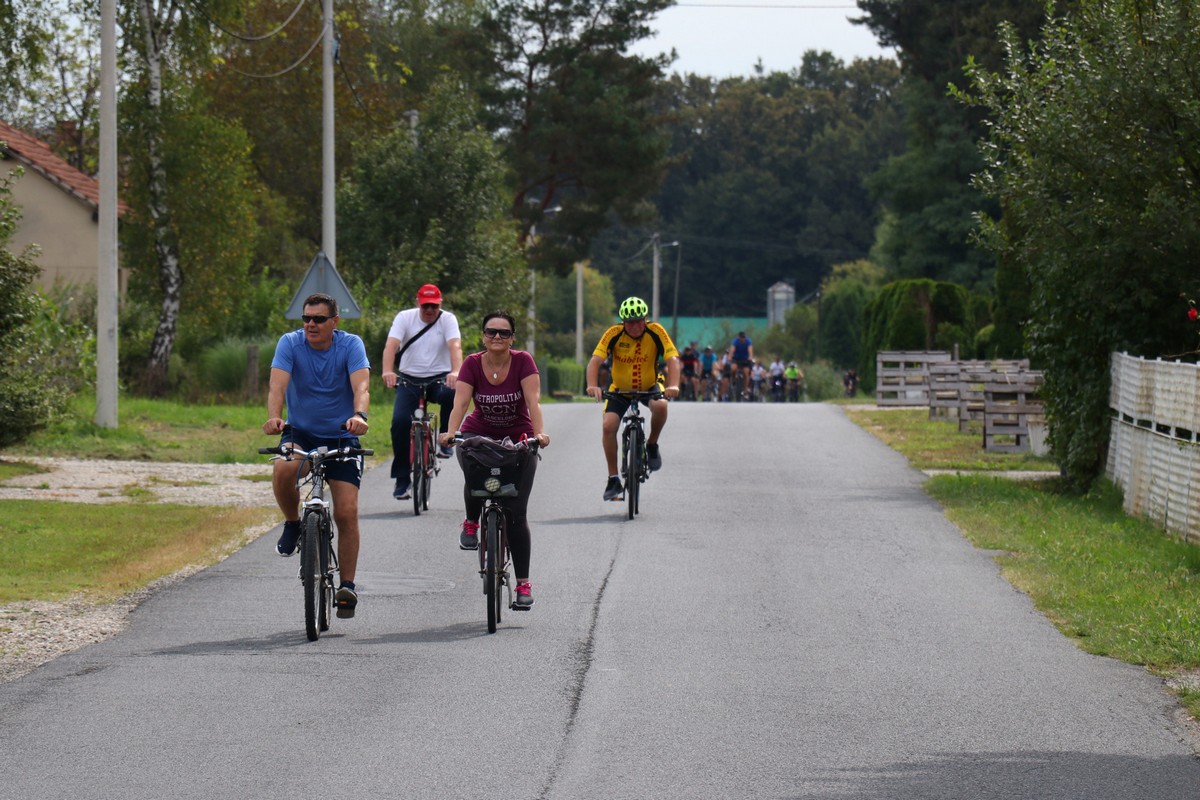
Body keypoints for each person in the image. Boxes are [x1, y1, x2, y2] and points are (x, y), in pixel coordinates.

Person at [263, 292, 371, 618]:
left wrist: (360, 416)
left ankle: (347, 586)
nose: (311, 324)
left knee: (347, 512)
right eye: (306, 318)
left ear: (334, 322)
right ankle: (294, 523)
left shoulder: (350, 345)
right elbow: (277, 387)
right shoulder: (290, 343)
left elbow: (362, 387)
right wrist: (274, 416)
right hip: (301, 432)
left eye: (319, 319)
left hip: (343, 433)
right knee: (284, 468)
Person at [440, 312, 550, 608]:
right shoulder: (473, 364)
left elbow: (533, 401)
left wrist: (539, 434)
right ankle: (471, 522)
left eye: (504, 333)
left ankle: (523, 585)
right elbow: (461, 402)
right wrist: (451, 432)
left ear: (513, 337)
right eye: (491, 332)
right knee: (474, 471)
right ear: (483, 336)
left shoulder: (524, 361)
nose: (497, 337)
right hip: (479, 432)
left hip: (519, 436)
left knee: (516, 511)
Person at [585, 296, 681, 501]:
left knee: (662, 406)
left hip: (650, 386)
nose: (635, 326)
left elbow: (672, 359)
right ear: (623, 322)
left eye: (639, 321)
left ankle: (652, 444)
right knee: (608, 425)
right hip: (620, 390)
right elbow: (595, 362)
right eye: (630, 322)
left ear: (645, 319)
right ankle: (613, 478)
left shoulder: (656, 331)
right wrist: (592, 385)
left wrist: (673, 385)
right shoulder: (613, 333)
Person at [382, 284, 463, 500]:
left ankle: (446, 438)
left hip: (439, 377)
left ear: (440, 304)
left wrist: (455, 371)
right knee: (399, 422)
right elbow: (391, 346)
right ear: (418, 302)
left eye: (434, 306)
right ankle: (401, 479)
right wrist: (387, 371)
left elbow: (455, 346)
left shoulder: (447, 319)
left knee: (450, 393)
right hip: (409, 379)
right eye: (426, 305)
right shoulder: (405, 318)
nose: (429, 310)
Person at [727, 331, 754, 400]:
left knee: (746, 372)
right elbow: (732, 350)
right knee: (733, 368)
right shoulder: (735, 341)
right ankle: (733, 381)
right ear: (739, 337)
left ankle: (745, 389)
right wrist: (729, 357)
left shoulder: (748, 341)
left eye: (743, 337)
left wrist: (750, 357)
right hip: (736, 359)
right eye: (741, 337)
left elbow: (750, 350)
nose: (742, 339)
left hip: (745, 359)